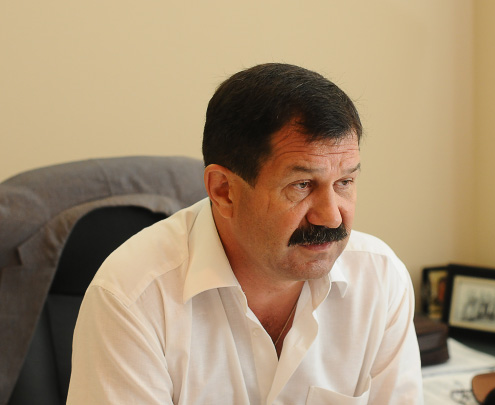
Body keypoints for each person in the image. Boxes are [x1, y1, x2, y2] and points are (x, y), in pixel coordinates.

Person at [67, 63, 423, 404]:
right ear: (223, 190)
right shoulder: (132, 297)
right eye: (301, 185)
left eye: (344, 182)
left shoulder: (380, 279)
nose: (331, 218)